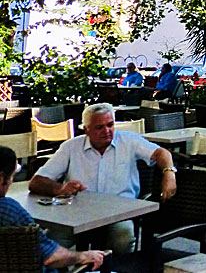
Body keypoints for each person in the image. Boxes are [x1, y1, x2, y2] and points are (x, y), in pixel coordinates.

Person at [28, 103, 178, 254]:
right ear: (86, 129)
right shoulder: (71, 147)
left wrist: (169, 172)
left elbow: (161, 153)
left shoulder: (129, 141)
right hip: (77, 214)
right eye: (99, 127)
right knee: (45, 247)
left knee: (123, 238)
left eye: (110, 125)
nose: (107, 131)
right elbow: (37, 181)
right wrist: (60, 189)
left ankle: (115, 269)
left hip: (119, 213)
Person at [0, 146, 108, 272]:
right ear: (2, 178)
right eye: (12, 177)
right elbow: (51, 257)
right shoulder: (9, 210)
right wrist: (83, 256)